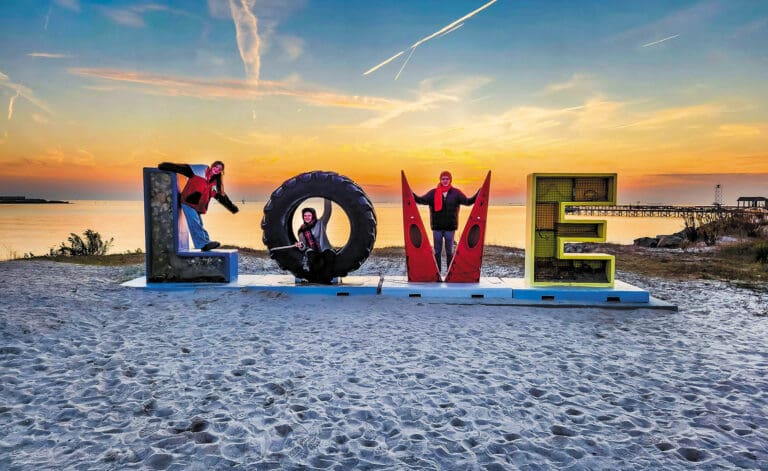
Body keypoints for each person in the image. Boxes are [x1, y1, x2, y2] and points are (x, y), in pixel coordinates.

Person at [158, 161, 239, 251]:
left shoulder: (214, 183)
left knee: (199, 224)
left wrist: (232, 208)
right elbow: (182, 169)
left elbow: (222, 197)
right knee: (195, 223)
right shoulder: (199, 171)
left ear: (221, 172)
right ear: (212, 166)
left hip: (198, 207)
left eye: (220, 169)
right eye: (216, 167)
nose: (217, 170)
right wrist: (164, 166)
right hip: (188, 202)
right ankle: (202, 244)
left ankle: (206, 242)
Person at [413, 170, 477, 272]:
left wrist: (478, 194)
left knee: (449, 252)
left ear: (450, 180)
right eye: (443, 179)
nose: (445, 181)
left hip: (450, 228)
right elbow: (421, 200)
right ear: (440, 180)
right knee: (437, 252)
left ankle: (449, 272)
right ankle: (438, 271)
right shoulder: (433, 193)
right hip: (437, 228)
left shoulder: (456, 193)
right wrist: (410, 194)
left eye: (447, 179)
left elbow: (467, 202)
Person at [295, 199, 336, 283]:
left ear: (313, 215)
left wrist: (327, 197)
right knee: (312, 255)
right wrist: (300, 246)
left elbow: (327, 211)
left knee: (329, 254)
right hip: (312, 251)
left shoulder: (321, 223)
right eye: (305, 216)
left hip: (323, 249)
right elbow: (303, 246)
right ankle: (313, 278)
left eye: (309, 215)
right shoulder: (302, 230)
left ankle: (326, 278)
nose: (307, 217)